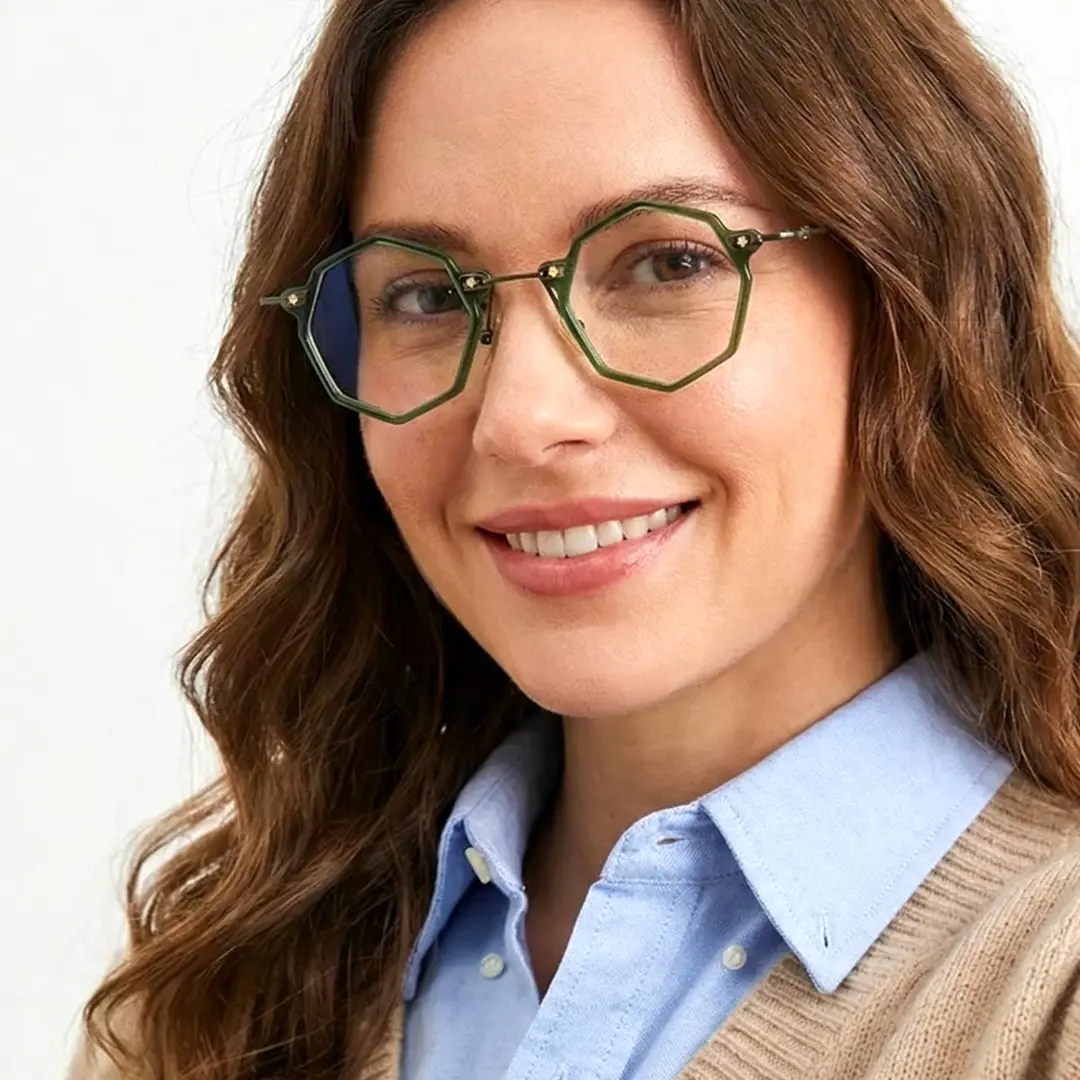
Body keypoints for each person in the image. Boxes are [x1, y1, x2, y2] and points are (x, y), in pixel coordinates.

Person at [68, 0, 1080, 1077]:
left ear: (915, 308)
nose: (518, 418)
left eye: (667, 264)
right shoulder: (204, 1002)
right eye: (426, 294)